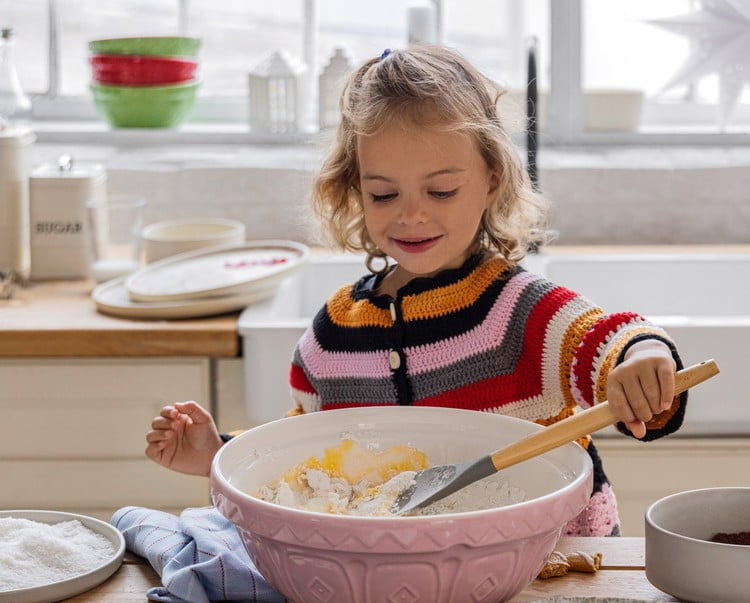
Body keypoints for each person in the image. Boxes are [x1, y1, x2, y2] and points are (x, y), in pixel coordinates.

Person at [146, 44, 686, 536]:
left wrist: (643, 358)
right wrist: (219, 454)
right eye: (384, 195)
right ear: (355, 189)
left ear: (492, 178)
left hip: (551, 562)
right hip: (403, 579)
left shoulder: (518, 312)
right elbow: (308, 461)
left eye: (441, 190)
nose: (411, 214)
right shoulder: (333, 335)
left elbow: (610, 341)